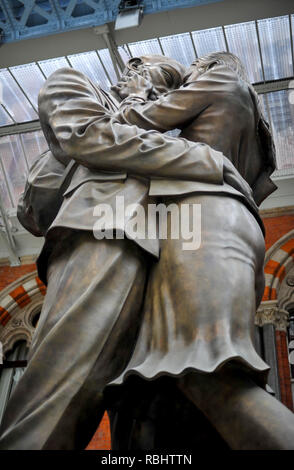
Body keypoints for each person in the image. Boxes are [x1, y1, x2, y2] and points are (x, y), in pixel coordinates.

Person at [0, 58, 241, 450]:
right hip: (105, 229)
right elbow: (87, 138)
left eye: (171, 89)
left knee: (145, 407)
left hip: (167, 249)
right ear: (133, 70)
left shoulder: (149, 126)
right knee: (64, 385)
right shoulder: (75, 85)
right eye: (162, 80)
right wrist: (204, 160)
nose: (163, 94)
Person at [106, 52, 294, 450]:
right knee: (161, 384)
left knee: (204, 371)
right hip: (232, 224)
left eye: (189, 72)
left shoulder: (217, 82)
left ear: (205, 66)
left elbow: (131, 124)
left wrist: (137, 94)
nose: (185, 78)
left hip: (200, 217)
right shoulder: (248, 116)